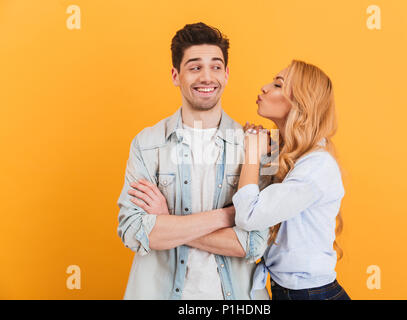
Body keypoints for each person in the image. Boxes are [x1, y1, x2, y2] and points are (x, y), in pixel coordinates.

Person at [116, 22, 273, 300]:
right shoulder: (147, 143)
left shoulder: (258, 145)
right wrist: (229, 216)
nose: (207, 77)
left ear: (226, 74)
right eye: (195, 67)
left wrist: (166, 221)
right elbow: (134, 231)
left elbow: (255, 243)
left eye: (215, 66)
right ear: (176, 75)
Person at [233, 60, 351, 300]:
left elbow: (248, 215)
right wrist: (264, 152)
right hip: (292, 292)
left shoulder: (317, 166)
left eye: (278, 84)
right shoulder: (289, 154)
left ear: (301, 104)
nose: (265, 88)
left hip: (310, 295)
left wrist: (252, 154)